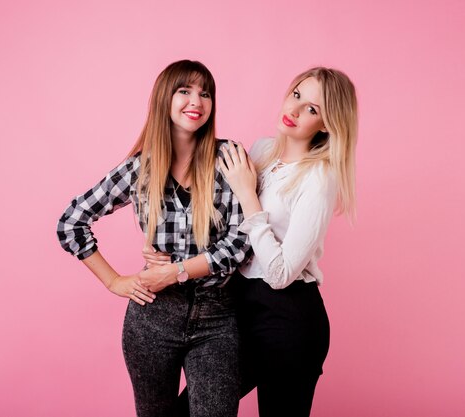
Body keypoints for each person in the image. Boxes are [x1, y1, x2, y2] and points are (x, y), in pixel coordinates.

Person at [149, 67, 358, 417]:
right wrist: (163, 249)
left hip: (288, 316)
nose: (293, 111)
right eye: (296, 96)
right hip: (238, 307)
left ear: (327, 124)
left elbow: (280, 274)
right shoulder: (261, 151)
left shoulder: (319, 179)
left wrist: (248, 193)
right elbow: (219, 220)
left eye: (312, 109)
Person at [56, 60, 251, 417]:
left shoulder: (230, 158)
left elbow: (241, 243)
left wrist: (176, 271)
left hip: (217, 318)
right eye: (185, 91)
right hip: (152, 318)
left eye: (205, 93)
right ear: (165, 98)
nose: (197, 101)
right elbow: (71, 223)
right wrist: (114, 280)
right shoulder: (139, 169)